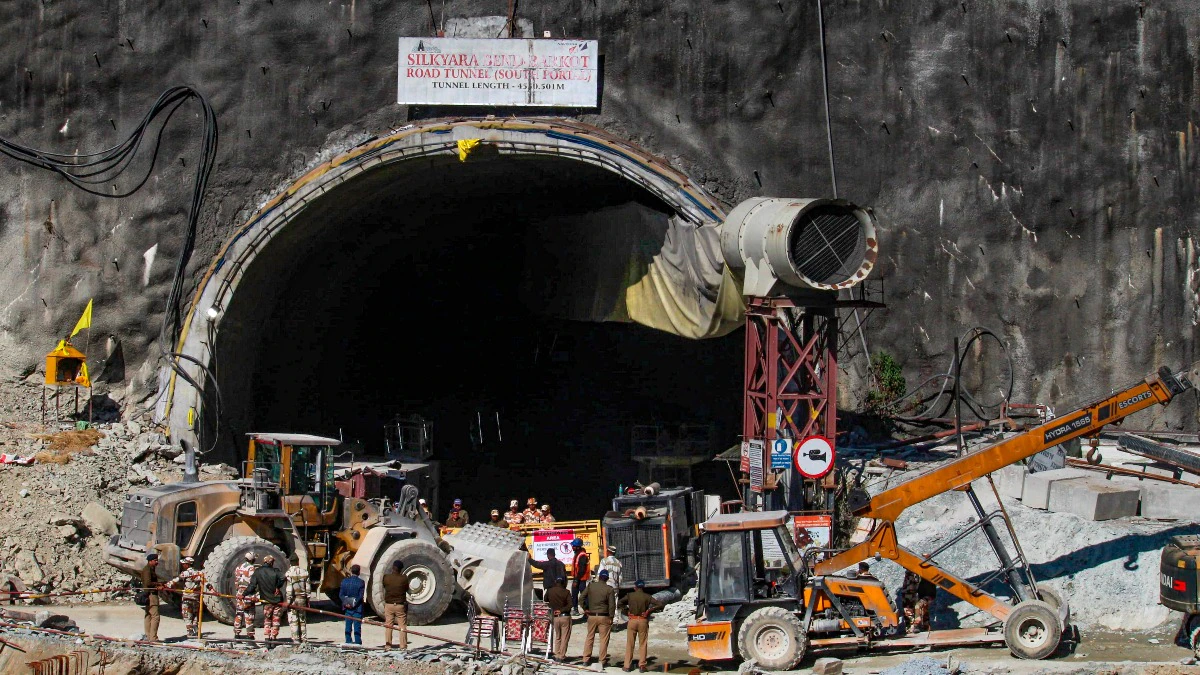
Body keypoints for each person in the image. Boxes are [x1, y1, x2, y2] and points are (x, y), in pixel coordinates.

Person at [619, 580, 663, 672]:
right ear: (643, 587)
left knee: (630, 644)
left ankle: (627, 666)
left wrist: (627, 611)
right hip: (643, 620)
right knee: (643, 644)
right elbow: (660, 604)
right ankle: (642, 665)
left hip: (632, 620)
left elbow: (619, 603)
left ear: (635, 587)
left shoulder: (630, 595)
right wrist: (649, 611)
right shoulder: (647, 596)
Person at [243, 554, 286, 642]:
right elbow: (283, 577)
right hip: (277, 600)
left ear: (264, 562)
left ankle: (267, 639)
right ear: (272, 562)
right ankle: (273, 639)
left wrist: (244, 594)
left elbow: (252, 586)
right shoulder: (276, 571)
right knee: (276, 620)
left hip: (266, 601)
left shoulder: (258, 572)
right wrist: (278, 586)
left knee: (267, 619)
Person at [580, 569, 616, 667]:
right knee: (603, 639)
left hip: (591, 615)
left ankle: (585, 659)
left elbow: (581, 598)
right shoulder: (609, 589)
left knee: (590, 637)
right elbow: (612, 605)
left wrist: (585, 609)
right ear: (607, 578)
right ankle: (601, 661)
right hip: (604, 616)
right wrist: (611, 617)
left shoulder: (591, 586)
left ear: (599, 577)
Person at [166, 556, 204, 638]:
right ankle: (196, 630)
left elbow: (176, 580)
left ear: (188, 564)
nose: (183, 565)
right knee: (195, 614)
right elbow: (207, 584)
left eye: (184, 564)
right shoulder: (200, 573)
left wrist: (168, 585)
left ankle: (190, 632)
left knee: (187, 615)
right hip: (196, 597)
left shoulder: (185, 573)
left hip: (187, 597)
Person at [382, 559, 410, 650]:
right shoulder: (404, 578)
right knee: (402, 626)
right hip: (400, 605)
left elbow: (384, 586)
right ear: (401, 569)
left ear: (393, 567)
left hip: (389, 604)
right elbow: (407, 589)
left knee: (388, 625)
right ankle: (403, 646)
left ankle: (388, 645)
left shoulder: (386, 577)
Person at [545, 576, 572, 662]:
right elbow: (570, 605)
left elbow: (545, 599)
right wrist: (561, 610)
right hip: (565, 616)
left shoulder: (550, 591)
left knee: (558, 637)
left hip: (555, 617)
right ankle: (561, 656)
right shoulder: (566, 592)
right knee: (565, 637)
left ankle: (556, 654)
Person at [284, 557, 310, 643]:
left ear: (290, 563)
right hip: (302, 599)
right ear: (298, 562)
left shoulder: (289, 573)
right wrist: (308, 599)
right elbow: (308, 588)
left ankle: (296, 640)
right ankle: (304, 639)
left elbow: (289, 589)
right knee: (302, 620)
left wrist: (288, 601)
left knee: (294, 620)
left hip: (293, 600)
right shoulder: (304, 572)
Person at [233, 551, 258, 640]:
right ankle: (250, 635)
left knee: (239, 613)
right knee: (249, 614)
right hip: (248, 594)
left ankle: (237, 634)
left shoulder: (238, 567)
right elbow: (253, 583)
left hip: (239, 594)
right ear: (252, 559)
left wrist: (239, 591)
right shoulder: (251, 568)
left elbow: (236, 582)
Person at [340, 564, 366, 645]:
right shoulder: (361, 582)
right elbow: (360, 596)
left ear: (351, 571)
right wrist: (353, 604)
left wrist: (346, 603)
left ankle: (348, 641)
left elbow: (341, 595)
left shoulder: (344, 581)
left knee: (348, 626)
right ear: (359, 572)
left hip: (347, 608)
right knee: (357, 627)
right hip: (357, 608)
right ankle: (358, 643)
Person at [139, 552, 161, 642]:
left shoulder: (150, 569)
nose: (157, 562)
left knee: (148, 615)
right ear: (150, 561)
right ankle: (153, 638)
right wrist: (158, 584)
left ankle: (148, 636)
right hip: (151, 594)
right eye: (155, 560)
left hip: (148, 594)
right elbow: (148, 583)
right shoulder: (147, 570)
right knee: (155, 616)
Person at [599, 545, 624, 621]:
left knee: (604, 604)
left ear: (608, 551)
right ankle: (615, 622)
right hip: (615, 587)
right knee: (615, 604)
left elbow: (599, 574)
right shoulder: (618, 562)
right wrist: (617, 586)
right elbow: (620, 577)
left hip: (605, 586)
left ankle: (606, 621)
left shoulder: (604, 561)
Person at [570, 538, 591, 617]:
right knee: (574, 594)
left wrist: (576, 580)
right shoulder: (578, 554)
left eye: (574, 546)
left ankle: (587, 611)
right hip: (578, 578)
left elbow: (581, 570)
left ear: (578, 547)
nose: (572, 547)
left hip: (581, 579)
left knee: (583, 596)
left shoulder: (582, 556)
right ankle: (575, 609)